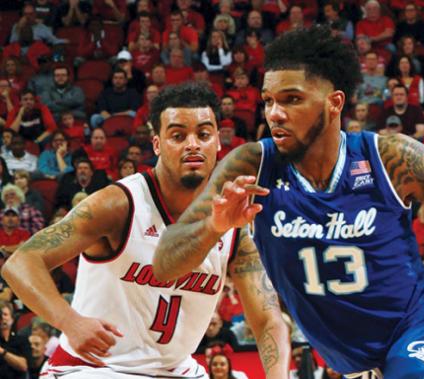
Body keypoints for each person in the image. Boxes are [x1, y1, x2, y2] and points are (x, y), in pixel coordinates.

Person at [156, 26, 424, 378]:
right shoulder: (252, 166)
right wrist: (214, 225)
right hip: (356, 365)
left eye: (291, 99)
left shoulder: (392, 158)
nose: (274, 114)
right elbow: (165, 262)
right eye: (269, 101)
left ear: (334, 103)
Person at [1, 82, 290, 377]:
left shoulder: (231, 222)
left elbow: (268, 320)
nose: (193, 144)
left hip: (176, 369)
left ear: (217, 141)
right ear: (157, 144)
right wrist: (69, 321)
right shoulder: (119, 204)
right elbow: (20, 263)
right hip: (94, 368)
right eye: (178, 135)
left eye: (203, 134)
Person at [0, 300, 30, 379]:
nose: (2, 318)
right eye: (0, 315)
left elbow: (24, 366)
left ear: (12, 319)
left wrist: (2, 352)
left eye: (5, 314)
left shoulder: (21, 340)